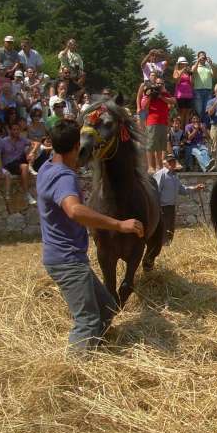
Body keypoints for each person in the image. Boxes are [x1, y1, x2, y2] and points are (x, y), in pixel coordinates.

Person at [37, 119, 144, 352]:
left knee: (106, 308)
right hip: (67, 261)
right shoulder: (64, 177)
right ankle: (75, 372)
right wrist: (119, 224)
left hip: (65, 258)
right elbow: (74, 210)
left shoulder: (46, 167)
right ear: (76, 147)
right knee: (87, 321)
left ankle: (97, 350)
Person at [153, 153, 205, 245]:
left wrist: (195, 188)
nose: (171, 163)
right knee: (163, 229)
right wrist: (157, 207)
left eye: (173, 161)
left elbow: (182, 189)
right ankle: (161, 248)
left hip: (171, 207)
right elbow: (155, 192)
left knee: (170, 229)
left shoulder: (174, 176)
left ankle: (168, 247)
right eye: (169, 162)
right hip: (162, 207)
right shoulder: (161, 174)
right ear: (165, 163)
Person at [140, 79, 176, 172]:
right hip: (152, 122)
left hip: (163, 123)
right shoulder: (149, 94)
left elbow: (173, 101)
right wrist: (150, 96)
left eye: (161, 83)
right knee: (151, 146)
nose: (159, 85)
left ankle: (159, 166)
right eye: (157, 83)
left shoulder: (165, 94)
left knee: (160, 147)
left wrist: (161, 96)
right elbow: (144, 107)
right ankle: (151, 166)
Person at [0, 122, 35, 204]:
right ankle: (26, 193)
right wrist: (0, 168)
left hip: (19, 162)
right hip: (8, 164)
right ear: (10, 130)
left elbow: (35, 143)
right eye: (14, 129)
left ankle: (31, 168)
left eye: (18, 129)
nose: (16, 131)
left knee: (28, 157)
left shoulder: (22, 139)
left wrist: (32, 151)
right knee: (25, 167)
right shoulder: (3, 141)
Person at [191, 51, 214, 125]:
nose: (202, 58)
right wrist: (197, 61)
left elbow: (214, 74)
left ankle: (205, 127)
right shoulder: (195, 66)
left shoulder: (209, 66)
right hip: (198, 90)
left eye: (204, 56)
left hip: (208, 90)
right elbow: (192, 72)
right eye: (201, 56)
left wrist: (211, 64)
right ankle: (199, 127)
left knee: (207, 110)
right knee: (199, 110)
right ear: (198, 58)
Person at [172, 56, 194, 128]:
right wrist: (182, 71)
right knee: (181, 112)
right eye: (182, 63)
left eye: (185, 63)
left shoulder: (187, 72)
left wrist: (191, 74)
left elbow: (191, 83)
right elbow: (177, 81)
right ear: (179, 64)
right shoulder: (176, 71)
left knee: (187, 112)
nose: (184, 65)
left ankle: (186, 129)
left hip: (188, 94)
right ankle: (180, 128)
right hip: (180, 95)